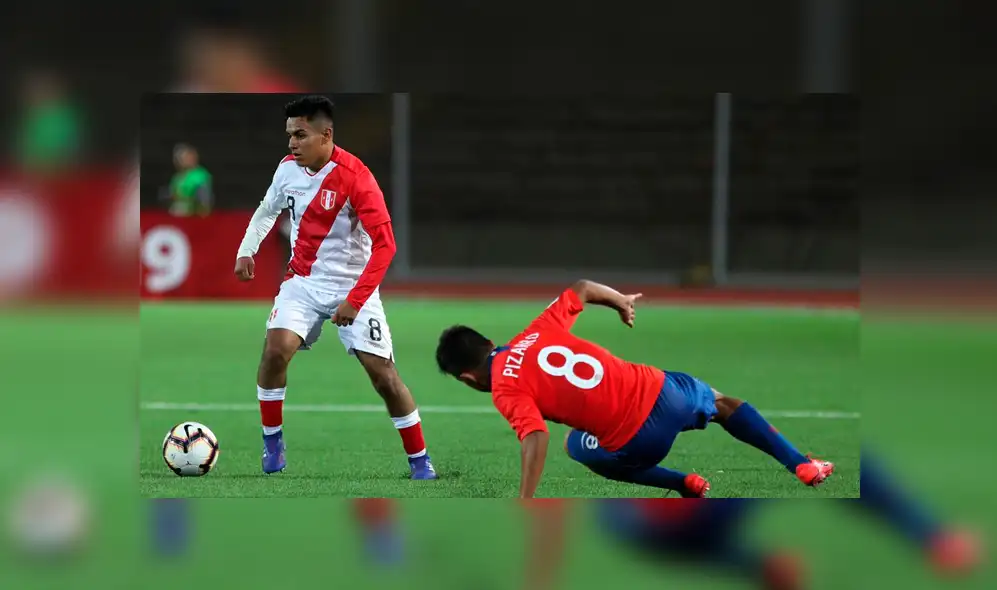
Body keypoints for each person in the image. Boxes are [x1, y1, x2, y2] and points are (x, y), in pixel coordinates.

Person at [435, 279, 832, 498]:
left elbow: (536, 436)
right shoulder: (538, 330)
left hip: (639, 440)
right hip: (665, 392)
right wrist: (621, 301)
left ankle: (682, 483)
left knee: (575, 445)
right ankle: (800, 463)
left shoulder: (505, 387)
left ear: (468, 379)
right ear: (490, 343)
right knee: (721, 402)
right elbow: (583, 287)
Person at [234, 95, 437, 480]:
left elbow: (386, 246)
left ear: (326, 135)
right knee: (275, 351)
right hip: (302, 282)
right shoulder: (287, 170)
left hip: (352, 286)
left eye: (301, 135)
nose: (292, 143)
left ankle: (420, 459)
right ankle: (273, 442)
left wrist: (355, 301)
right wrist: (247, 250)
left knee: (384, 375)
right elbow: (267, 210)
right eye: (289, 135)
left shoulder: (357, 178)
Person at [168, 144, 213, 217]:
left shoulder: (201, 175)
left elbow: (204, 198)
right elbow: (173, 195)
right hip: (177, 212)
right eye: (186, 157)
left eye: (192, 157)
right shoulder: (177, 177)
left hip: (193, 214)